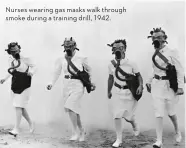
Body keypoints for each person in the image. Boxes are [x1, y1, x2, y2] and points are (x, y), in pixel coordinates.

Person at [47, 37, 95, 141]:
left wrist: (92, 82)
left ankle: (75, 132)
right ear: (63, 47)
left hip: (78, 85)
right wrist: (51, 83)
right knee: (72, 109)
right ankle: (81, 130)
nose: (68, 47)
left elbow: (89, 71)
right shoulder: (61, 59)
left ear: (75, 47)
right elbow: (56, 72)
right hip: (66, 85)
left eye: (70, 46)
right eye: (66, 46)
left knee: (70, 105)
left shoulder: (82, 58)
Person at [146, 28, 184, 148]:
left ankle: (177, 131)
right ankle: (159, 141)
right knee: (158, 113)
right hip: (157, 85)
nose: (156, 39)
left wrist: (180, 87)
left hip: (169, 86)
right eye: (154, 37)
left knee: (171, 112)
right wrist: (149, 81)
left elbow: (179, 69)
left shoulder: (172, 51)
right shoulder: (154, 53)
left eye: (159, 37)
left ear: (164, 38)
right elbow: (154, 69)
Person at [107, 39, 143, 147]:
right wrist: (108, 91)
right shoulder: (111, 64)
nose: (118, 50)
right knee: (117, 115)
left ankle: (134, 123)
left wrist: (140, 86)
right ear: (112, 50)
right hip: (118, 92)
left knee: (128, 117)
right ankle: (119, 139)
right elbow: (110, 78)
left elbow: (139, 76)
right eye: (115, 48)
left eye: (121, 47)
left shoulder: (131, 63)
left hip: (130, 92)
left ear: (125, 49)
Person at [0, 42, 35, 136]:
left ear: (19, 49)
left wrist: (31, 72)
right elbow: (11, 70)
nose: (15, 53)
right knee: (19, 106)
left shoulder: (25, 58)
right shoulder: (10, 59)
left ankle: (16, 128)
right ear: (9, 52)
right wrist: (4, 78)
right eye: (12, 51)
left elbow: (34, 66)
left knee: (18, 106)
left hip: (25, 83)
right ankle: (31, 123)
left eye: (16, 50)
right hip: (15, 83)